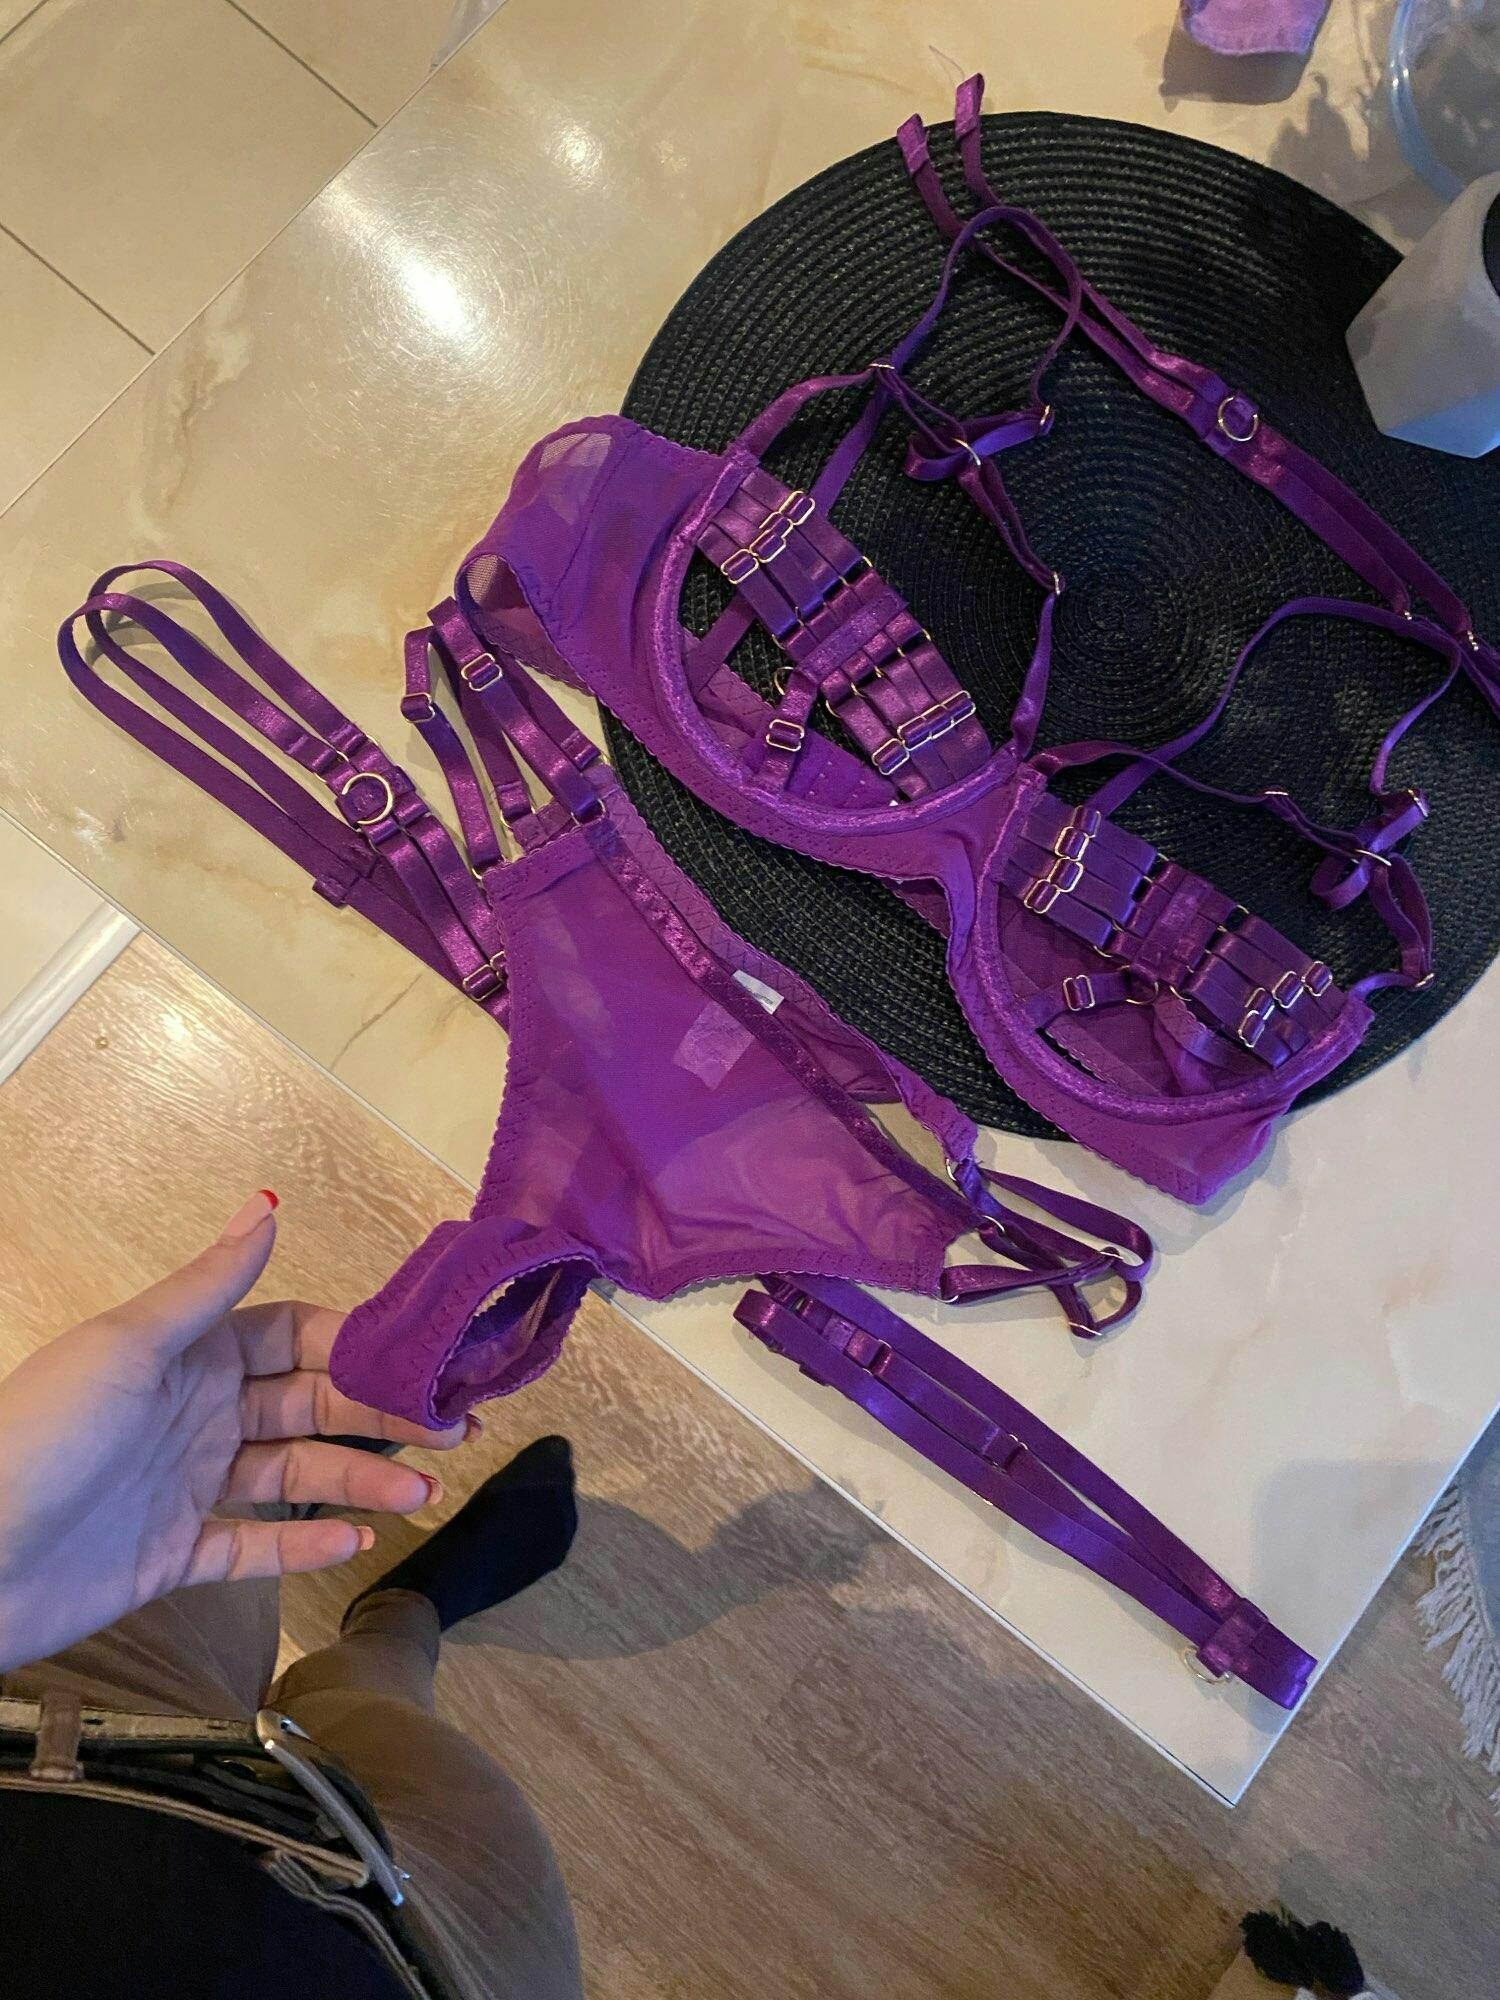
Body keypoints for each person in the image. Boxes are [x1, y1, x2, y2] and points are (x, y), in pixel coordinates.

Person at [0, 1190, 584, 1999]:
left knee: (186, 1515)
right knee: (378, 1709)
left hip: (37, 1731)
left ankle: (291, 1474)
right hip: (392, 1945)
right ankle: (403, 1616)